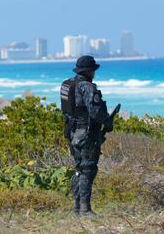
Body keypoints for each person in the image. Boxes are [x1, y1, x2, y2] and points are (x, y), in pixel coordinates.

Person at [60, 55, 114, 217]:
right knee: (87, 169)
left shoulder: (67, 84)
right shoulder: (87, 87)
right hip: (86, 133)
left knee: (78, 168)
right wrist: (107, 122)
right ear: (90, 71)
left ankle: (76, 207)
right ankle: (84, 209)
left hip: (72, 132)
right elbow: (95, 111)